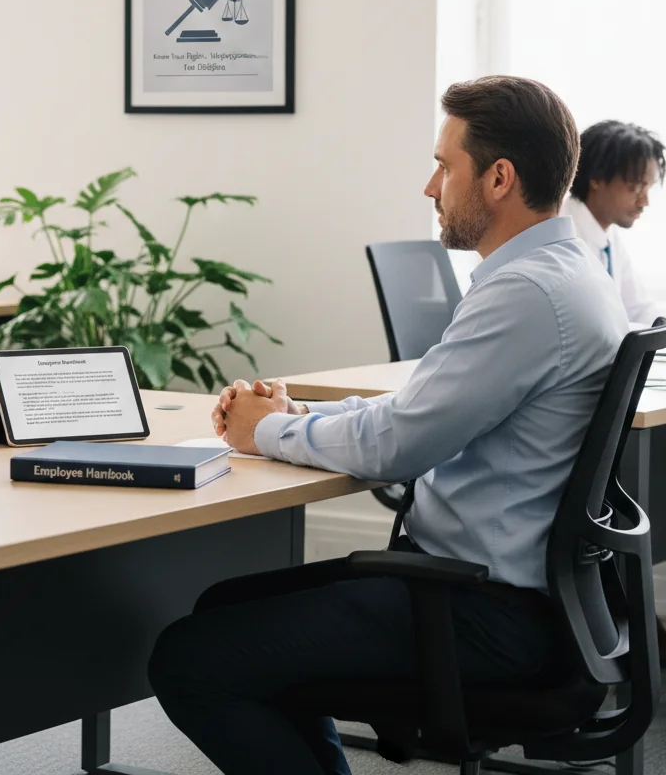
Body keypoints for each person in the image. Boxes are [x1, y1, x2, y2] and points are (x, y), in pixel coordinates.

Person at [148, 76, 629, 775]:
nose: (430, 187)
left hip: (484, 614)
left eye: (444, 164)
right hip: (521, 600)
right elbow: (417, 410)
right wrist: (294, 416)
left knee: (191, 658)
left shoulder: (527, 293)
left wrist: (264, 433)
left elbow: (400, 446)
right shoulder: (563, 274)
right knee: (224, 604)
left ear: (499, 178)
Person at [562, 120, 665, 324]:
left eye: (648, 189)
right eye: (636, 187)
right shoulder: (563, 238)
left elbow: (638, 307)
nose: (644, 201)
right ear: (597, 179)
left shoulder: (607, 237)